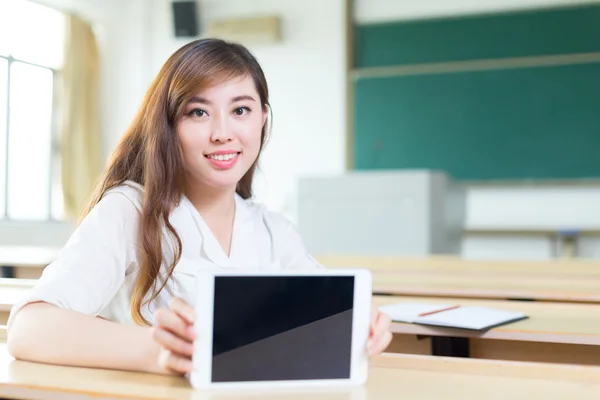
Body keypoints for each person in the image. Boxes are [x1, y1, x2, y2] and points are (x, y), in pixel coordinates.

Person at [7, 38, 392, 375]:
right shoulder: (128, 210)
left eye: (240, 110)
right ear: (168, 126)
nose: (222, 132)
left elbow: (326, 316)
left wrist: (361, 324)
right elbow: (29, 328)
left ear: (262, 119)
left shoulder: (274, 232)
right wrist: (161, 350)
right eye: (198, 112)